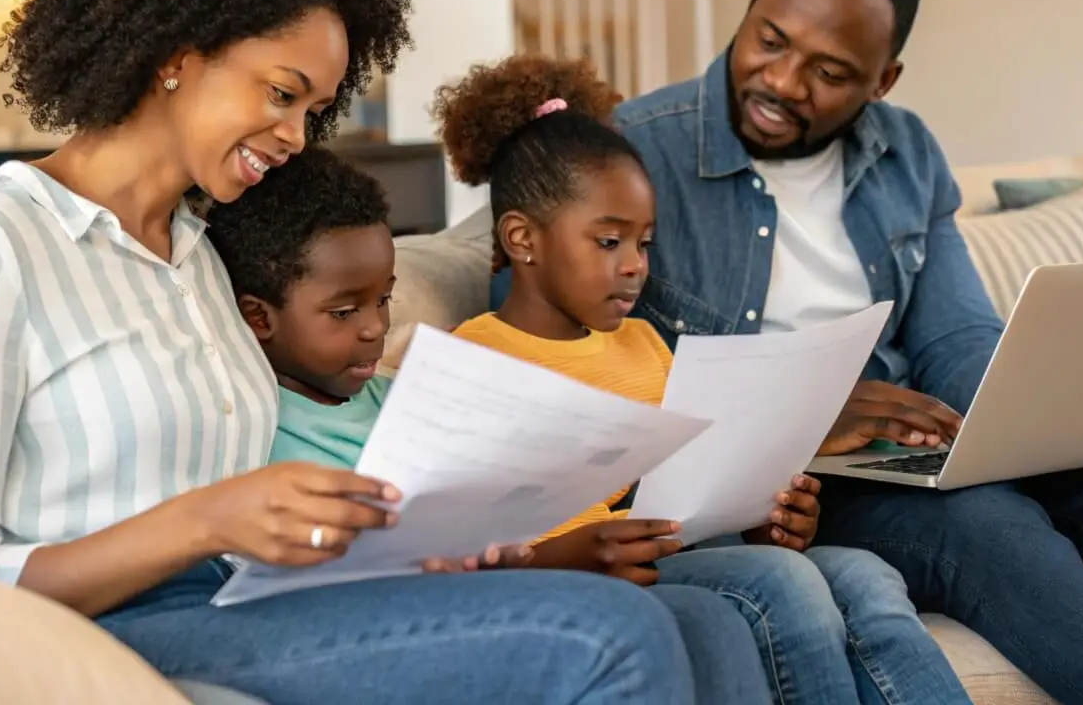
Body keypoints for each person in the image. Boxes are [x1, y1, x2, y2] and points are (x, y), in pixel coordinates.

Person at [0, 0, 739, 705]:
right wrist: (203, 521)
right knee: (607, 636)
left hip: (246, 603)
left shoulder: (196, 256)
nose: (295, 135)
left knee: (673, 618)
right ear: (177, 50)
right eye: (281, 94)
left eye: (313, 109)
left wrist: (398, 545)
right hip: (97, 637)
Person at [575, 0, 1083, 704]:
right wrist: (801, 413)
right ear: (754, 1)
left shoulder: (907, 154)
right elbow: (585, 379)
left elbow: (956, 336)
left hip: (894, 452)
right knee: (989, 528)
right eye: (770, 39)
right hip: (787, 494)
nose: (784, 82)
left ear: (883, 80)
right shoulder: (628, 156)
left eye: (829, 71)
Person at [442, 55, 970, 705]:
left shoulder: (641, 344)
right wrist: (564, 555)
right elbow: (458, 546)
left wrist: (766, 519)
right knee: (786, 585)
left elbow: (693, 489)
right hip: (589, 579)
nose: (635, 266)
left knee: (866, 575)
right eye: (609, 243)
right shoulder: (477, 359)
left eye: (645, 244)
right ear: (522, 239)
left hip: (679, 554)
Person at [207, 142, 775, 703]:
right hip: (388, 629)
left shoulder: (405, 398)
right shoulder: (259, 429)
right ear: (259, 317)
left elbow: (490, 530)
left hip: (484, 595)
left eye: (383, 301)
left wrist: (512, 554)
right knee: (707, 612)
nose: (374, 329)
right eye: (343, 312)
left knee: (713, 619)